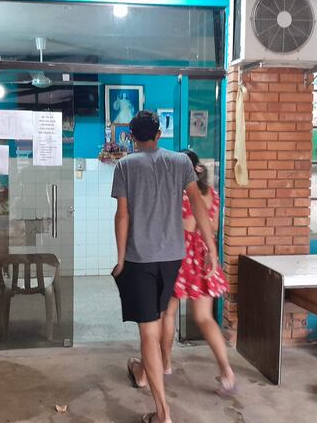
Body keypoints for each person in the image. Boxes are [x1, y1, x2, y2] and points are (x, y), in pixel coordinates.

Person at [111, 111, 218, 423]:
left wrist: (120, 259)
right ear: (159, 135)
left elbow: (123, 216)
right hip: (173, 257)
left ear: (131, 136)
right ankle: (144, 370)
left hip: (139, 259)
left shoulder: (125, 165)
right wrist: (211, 248)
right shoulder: (180, 162)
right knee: (158, 320)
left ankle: (163, 414)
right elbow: (198, 203)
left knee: (148, 332)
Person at [163, 150, 236, 396]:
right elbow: (213, 227)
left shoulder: (177, 195)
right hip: (204, 256)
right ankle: (226, 371)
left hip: (178, 256)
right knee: (205, 318)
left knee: (168, 314)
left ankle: (165, 366)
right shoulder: (211, 195)